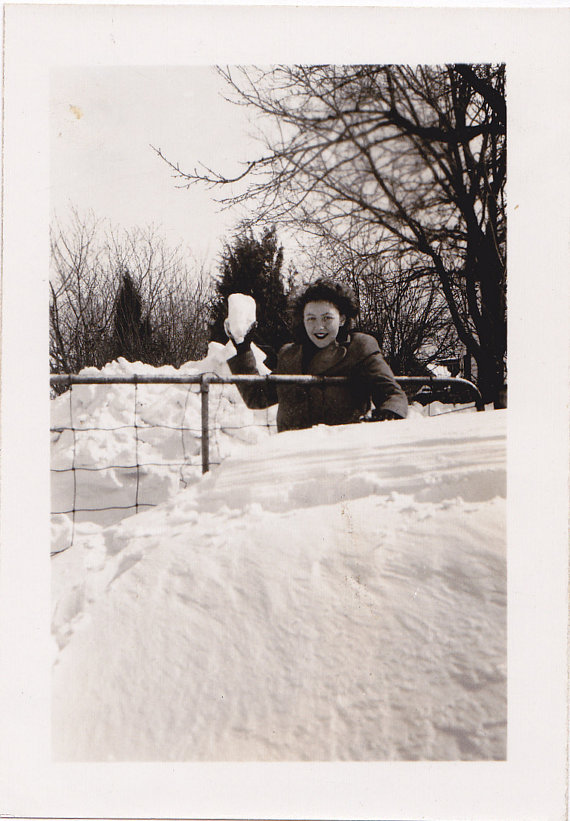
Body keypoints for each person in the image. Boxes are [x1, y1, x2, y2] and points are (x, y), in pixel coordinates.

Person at [226, 278, 408, 433]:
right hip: (290, 456)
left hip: (337, 454)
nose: (319, 327)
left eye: (327, 318)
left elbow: (392, 394)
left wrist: (387, 414)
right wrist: (243, 348)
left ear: (342, 319)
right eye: (311, 318)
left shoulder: (359, 348)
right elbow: (258, 397)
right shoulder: (289, 355)